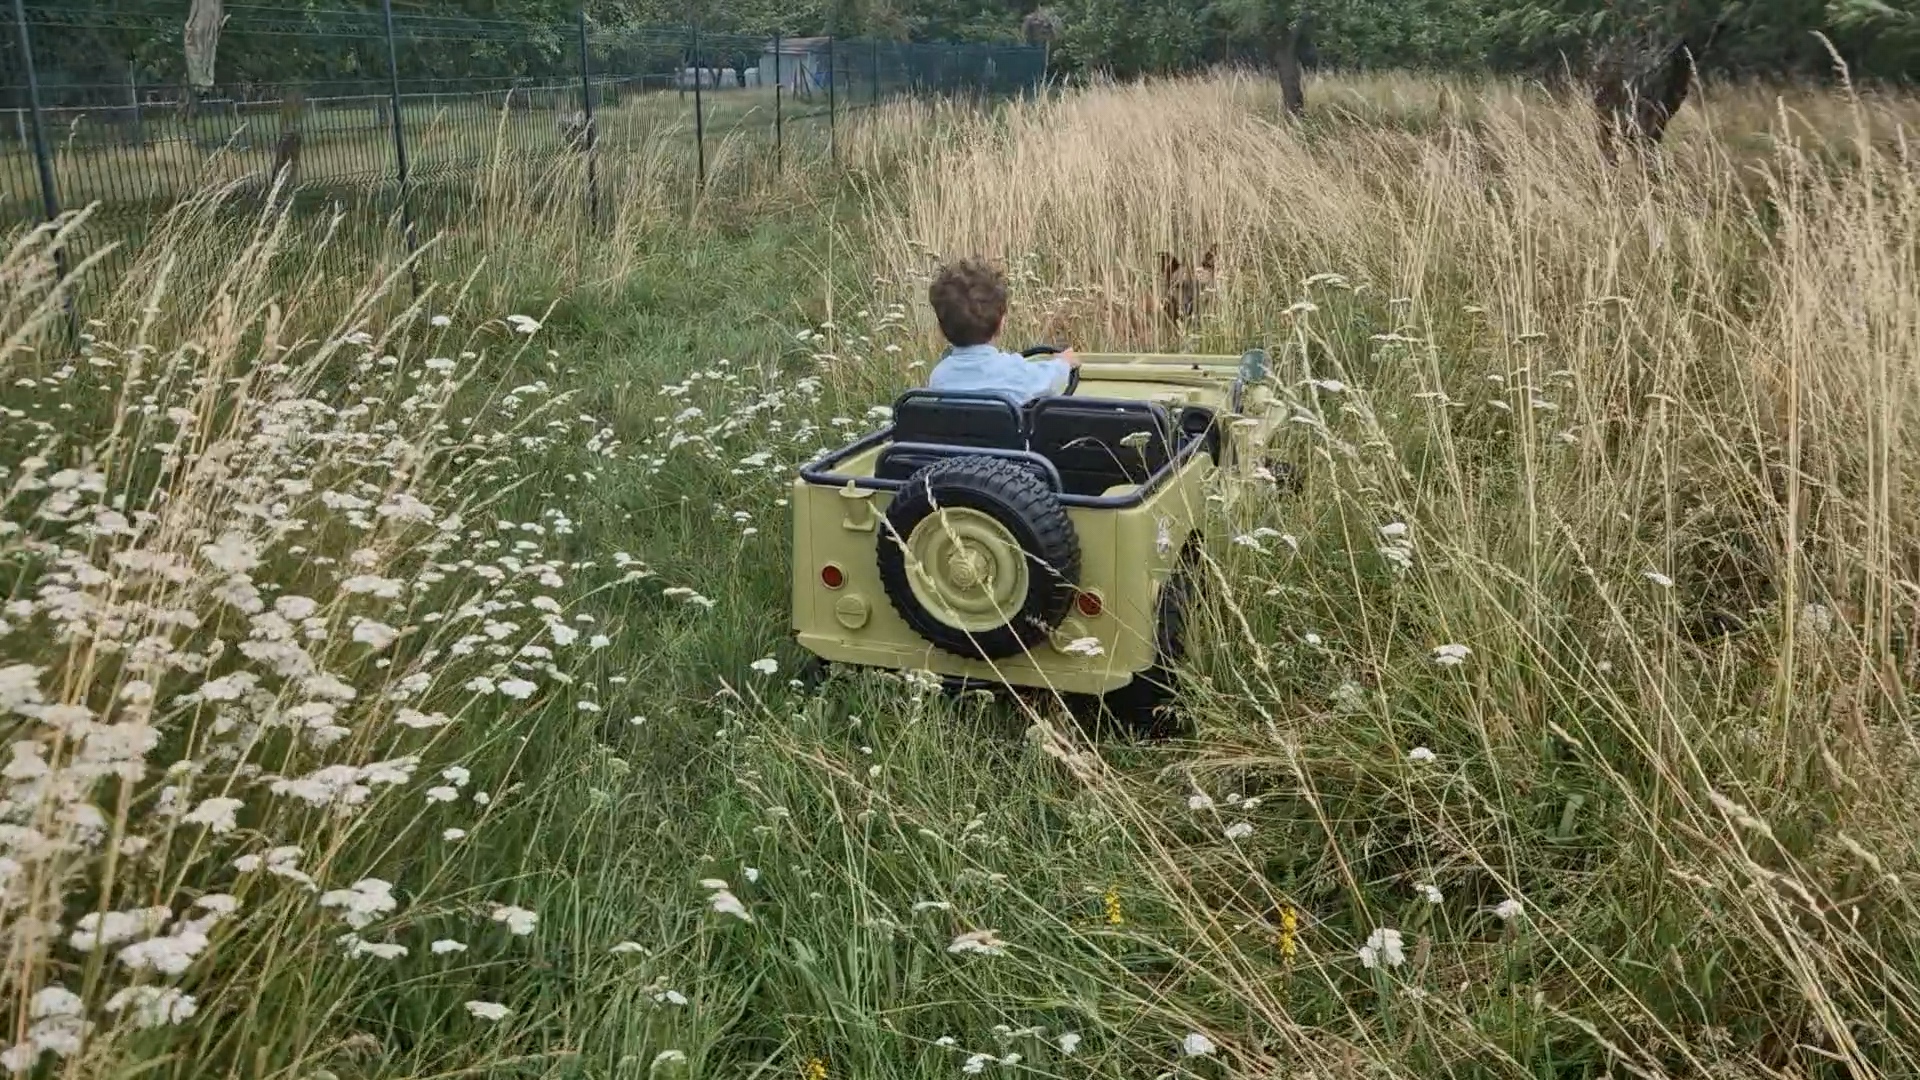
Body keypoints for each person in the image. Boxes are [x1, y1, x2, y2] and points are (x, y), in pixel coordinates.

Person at [925, 257, 1078, 402]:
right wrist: (1063, 362)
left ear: (941, 329)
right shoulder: (1015, 371)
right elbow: (1049, 379)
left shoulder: (939, 377)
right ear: (1001, 324)